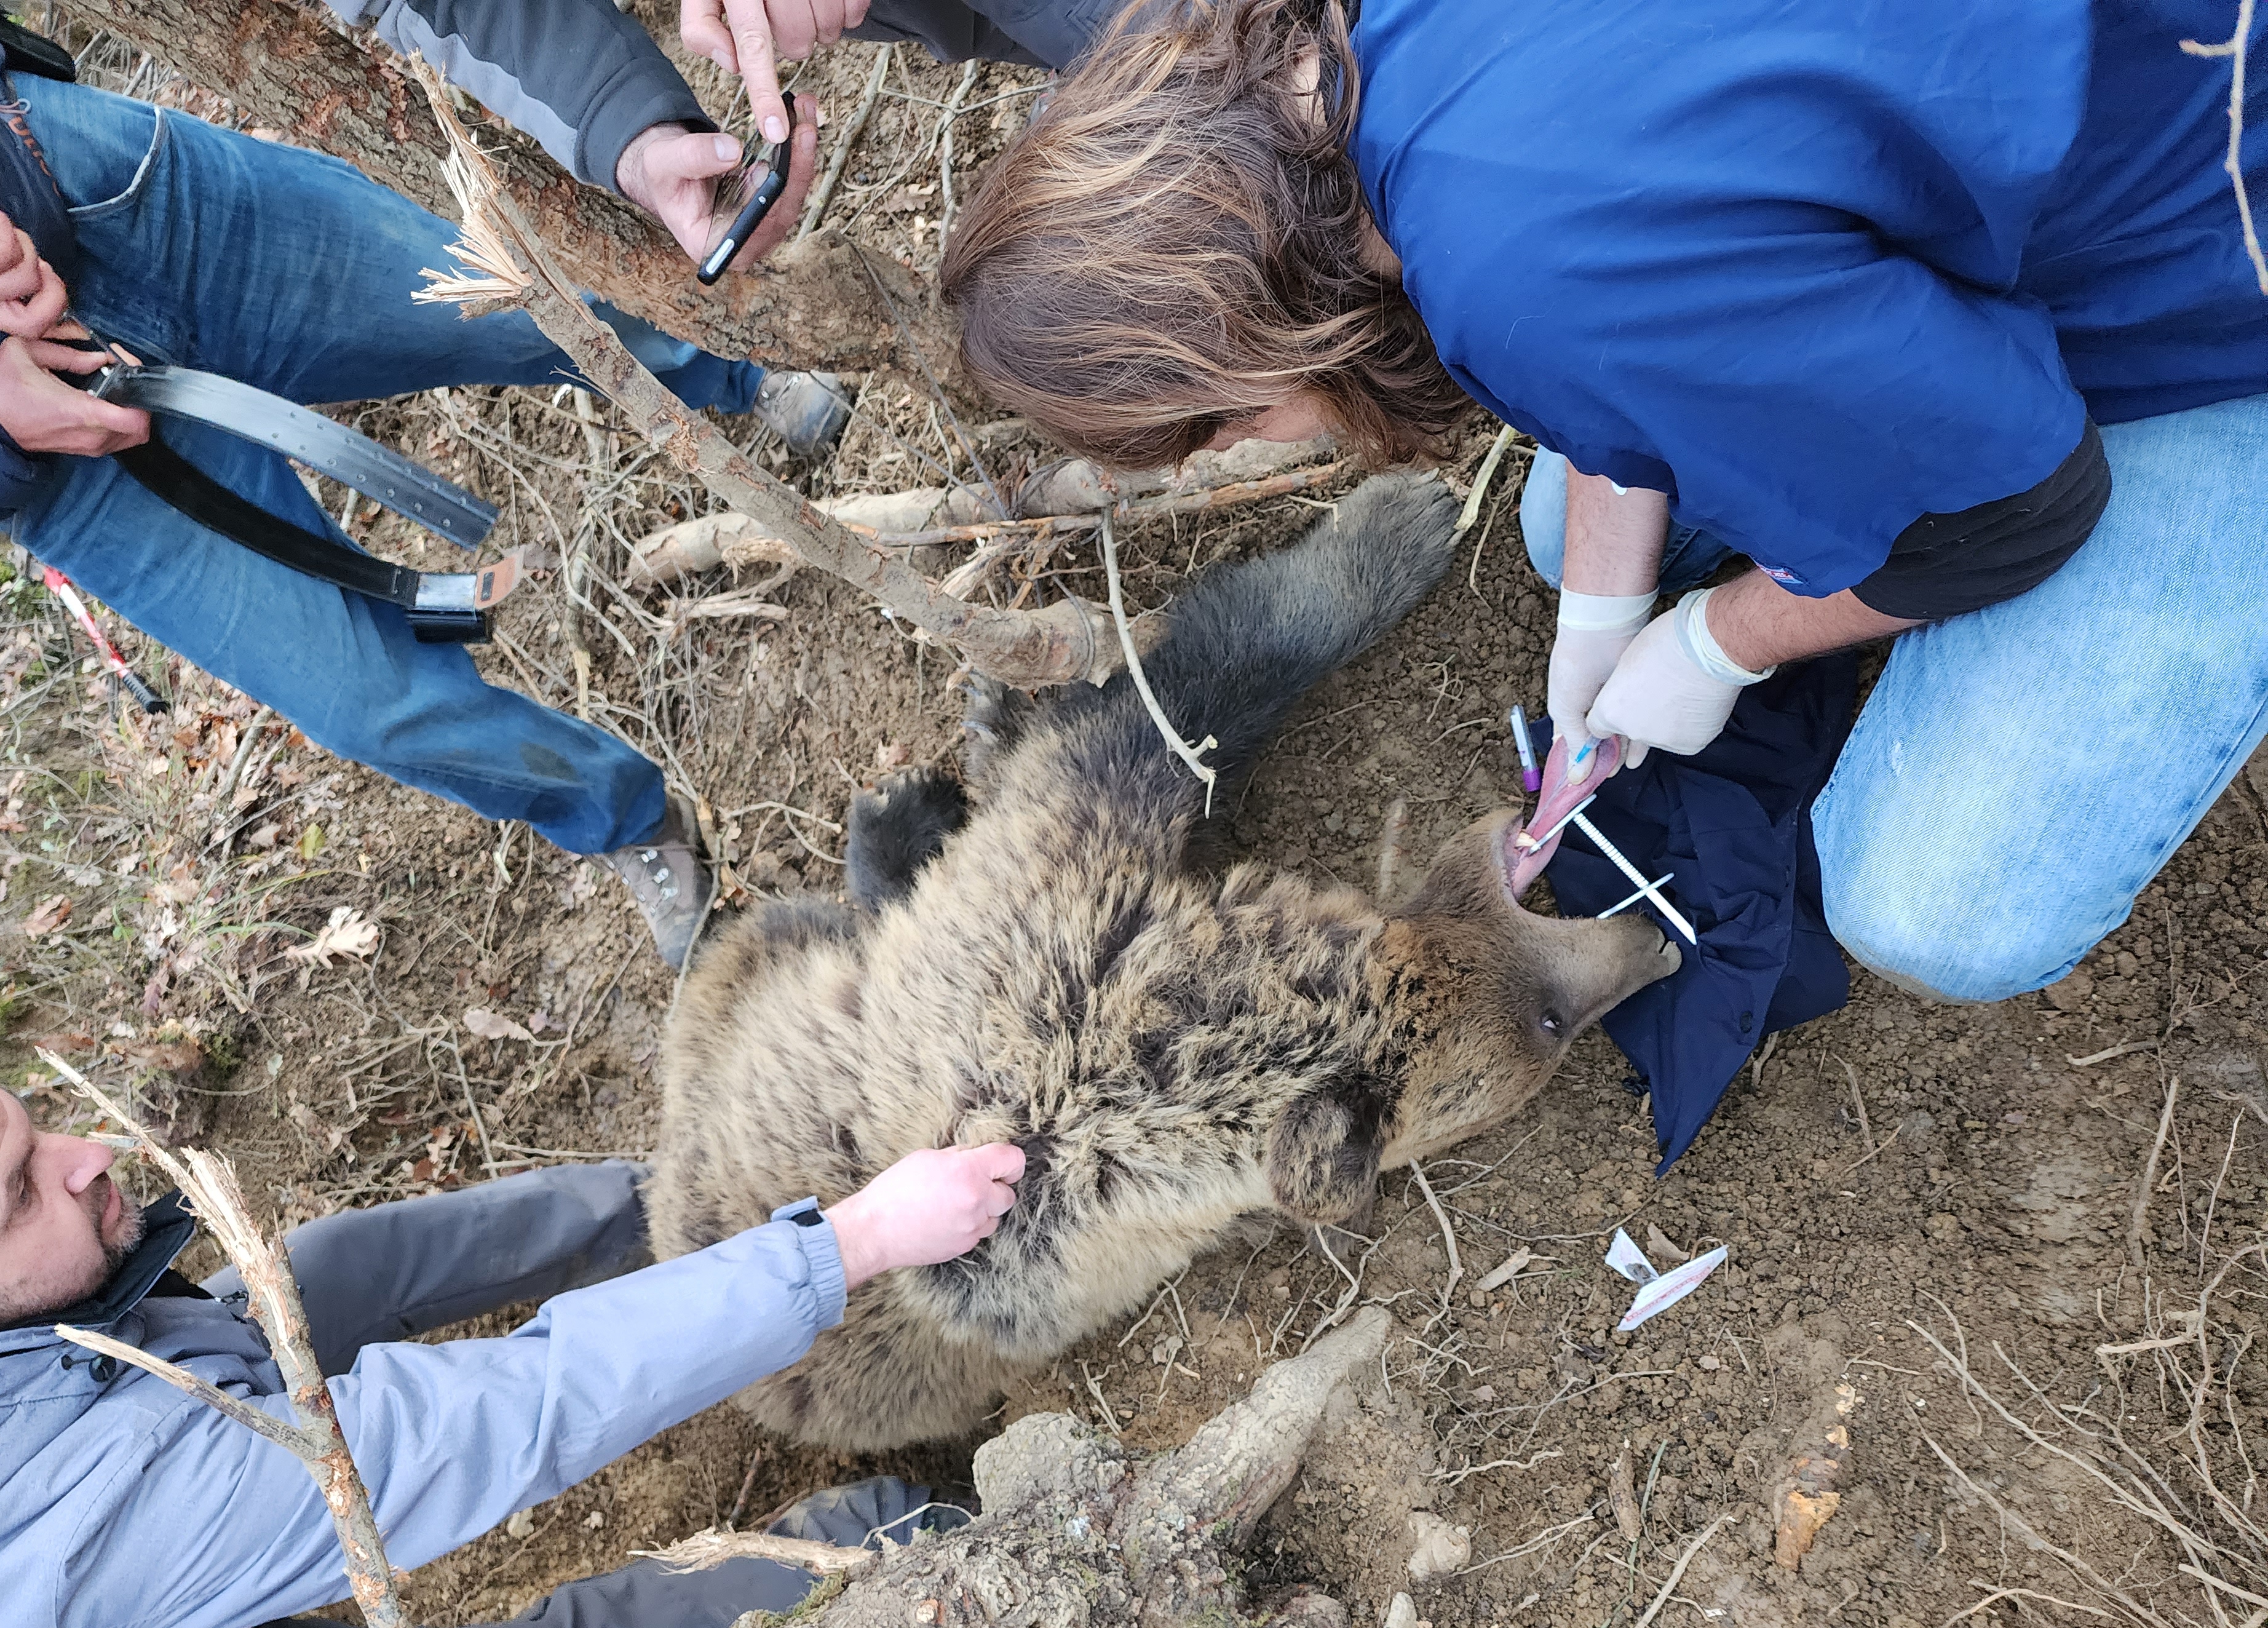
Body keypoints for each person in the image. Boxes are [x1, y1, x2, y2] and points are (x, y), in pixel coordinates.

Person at [937, 0, 2268, 1005]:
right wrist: (1604, 609)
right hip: (2025, 80)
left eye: (1229, 427)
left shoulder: (1520, 287)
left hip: (2203, 251)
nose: (1272, 439)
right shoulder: (1335, 67)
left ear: (1240, 359)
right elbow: (1614, 250)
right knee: (1555, 530)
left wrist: (1717, 643)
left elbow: (2020, 504)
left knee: (1932, 907)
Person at [0, 0, 852, 971]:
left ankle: (740, 370)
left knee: (505, 300)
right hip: (8, 445)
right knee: (370, 706)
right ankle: (633, 821)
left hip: (38, 188)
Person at [0, 1027, 1026, 1628]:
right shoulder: (52, 1550)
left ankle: (689, 1202)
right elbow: (493, 1423)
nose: (92, 1159)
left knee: (337, 1272)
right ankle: (894, 1553)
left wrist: (777, 1225)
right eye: (26, 1190)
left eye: (33, 1133)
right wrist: (851, 1244)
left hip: (86, 1416)